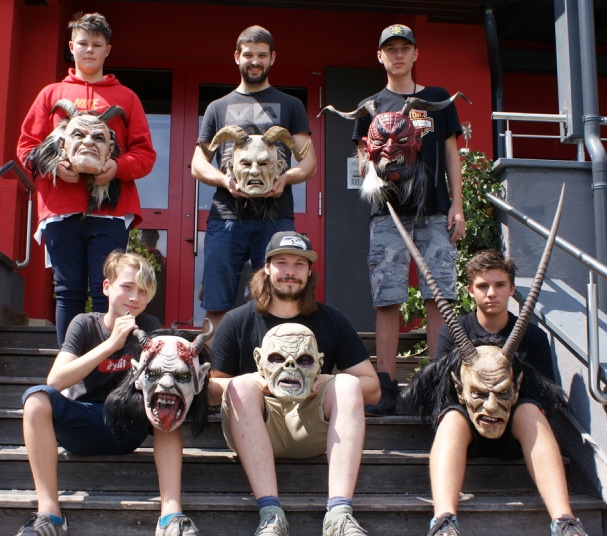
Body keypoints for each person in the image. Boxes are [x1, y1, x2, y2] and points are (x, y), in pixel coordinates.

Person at [16, 251, 200, 536]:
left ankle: (171, 515)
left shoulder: (150, 326)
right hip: (83, 424)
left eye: (143, 291)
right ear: (106, 287)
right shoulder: (84, 324)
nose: (134, 298)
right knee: (36, 398)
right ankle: (49, 514)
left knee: (167, 401)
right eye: (127, 287)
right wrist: (112, 344)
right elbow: (55, 380)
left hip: (127, 425)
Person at [209, 231, 380, 536]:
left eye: (299, 264)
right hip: (259, 427)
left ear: (309, 272)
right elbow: (211, 391)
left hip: (312, 427)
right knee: (242, 386)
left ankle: (339, 516)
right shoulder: (236, 321)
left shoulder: (332, 320)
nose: (290, 271)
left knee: (347, 384)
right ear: (266, 268)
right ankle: (271, 515)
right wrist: (255, 380)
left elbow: (372, 388)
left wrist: (326, 378)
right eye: (282, 263)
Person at [17, 12, 156, 347]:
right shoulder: (51, 94)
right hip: (60, 208)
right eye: (83, 43)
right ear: (71, 47)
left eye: (96, 44)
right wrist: (54, 166)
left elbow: (145, 155)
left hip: (110, 211)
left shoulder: (127, 97)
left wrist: (116, 167)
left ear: (108, 49)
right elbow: (26, 147)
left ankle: (109, 362)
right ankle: (69, 365)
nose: (89, 50)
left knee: (106, 289)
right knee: (68, 290)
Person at [426, 250, 587, 536]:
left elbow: (545, 395)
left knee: (531, 410)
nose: (492, 293)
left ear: (512, 288)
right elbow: (441, 393)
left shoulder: (533, 337)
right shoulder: (453, 332)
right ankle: (443, 521)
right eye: (483, 286)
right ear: (470, 290)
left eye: (500, 285)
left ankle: (565, 521)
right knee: (450, 418)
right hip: (469, 428)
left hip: (514, 428)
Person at [352, 24, 466, 416]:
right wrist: (374, 170)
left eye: (404, 48)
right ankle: (385, 387)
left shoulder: (437, 99)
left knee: (440, 296)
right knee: (388, 299)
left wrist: (457, 205)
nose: (398, 55)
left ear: (416, 53)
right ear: (380, 56)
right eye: (391, 49)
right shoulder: (370, 106)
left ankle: (436, 385)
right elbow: (362, 159)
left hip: (434, 211)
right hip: (388, 213)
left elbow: (451, 154)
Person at [191, 25, 317, 335]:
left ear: (272, 58)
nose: (255, 61)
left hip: (276, 216)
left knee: (278, 296)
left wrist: (285, 178)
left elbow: (309, 162)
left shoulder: (291, 105)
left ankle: (274, 357)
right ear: (237, 57)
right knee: (217, 300)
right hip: (226, 216)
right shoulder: (217, 108)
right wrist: (225, 181)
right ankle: (216, 362)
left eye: (262, 55)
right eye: (248, 55)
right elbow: (197, 164)